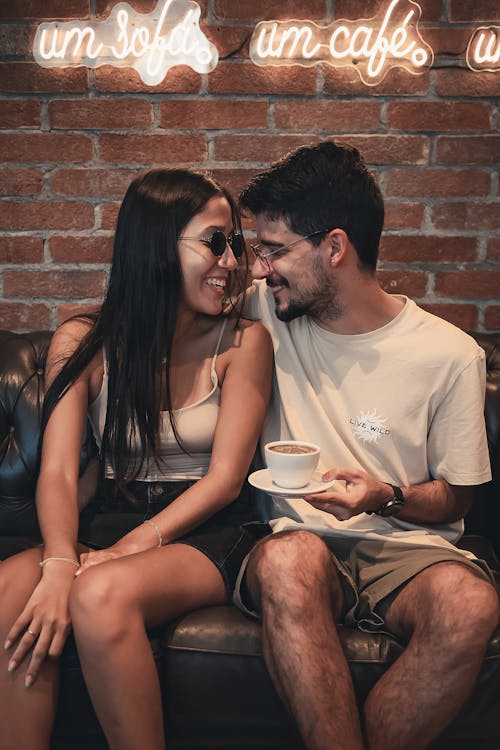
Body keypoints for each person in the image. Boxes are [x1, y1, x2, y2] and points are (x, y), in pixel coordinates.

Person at [234, 140, 500, 750]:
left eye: (273, 251)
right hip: (296, 541)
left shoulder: (451, 356)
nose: (257, 268)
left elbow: (457, 499)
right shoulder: (266, 312)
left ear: (335, 247)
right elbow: (154, 305)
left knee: (470, 604)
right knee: (287, 563)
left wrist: (385, 497)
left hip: (407, 552)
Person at [0, 168, 273, 750]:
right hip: (109, 513)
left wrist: (125, 551)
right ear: (154, 244)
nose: (231, 261)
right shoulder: (82, 341)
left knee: (99, 595)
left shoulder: (243, 342)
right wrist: (55, 563)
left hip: (206, 530)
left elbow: (226, 481)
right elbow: (55, 471)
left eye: (234, 245)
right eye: (214, 242)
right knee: (9, 590)